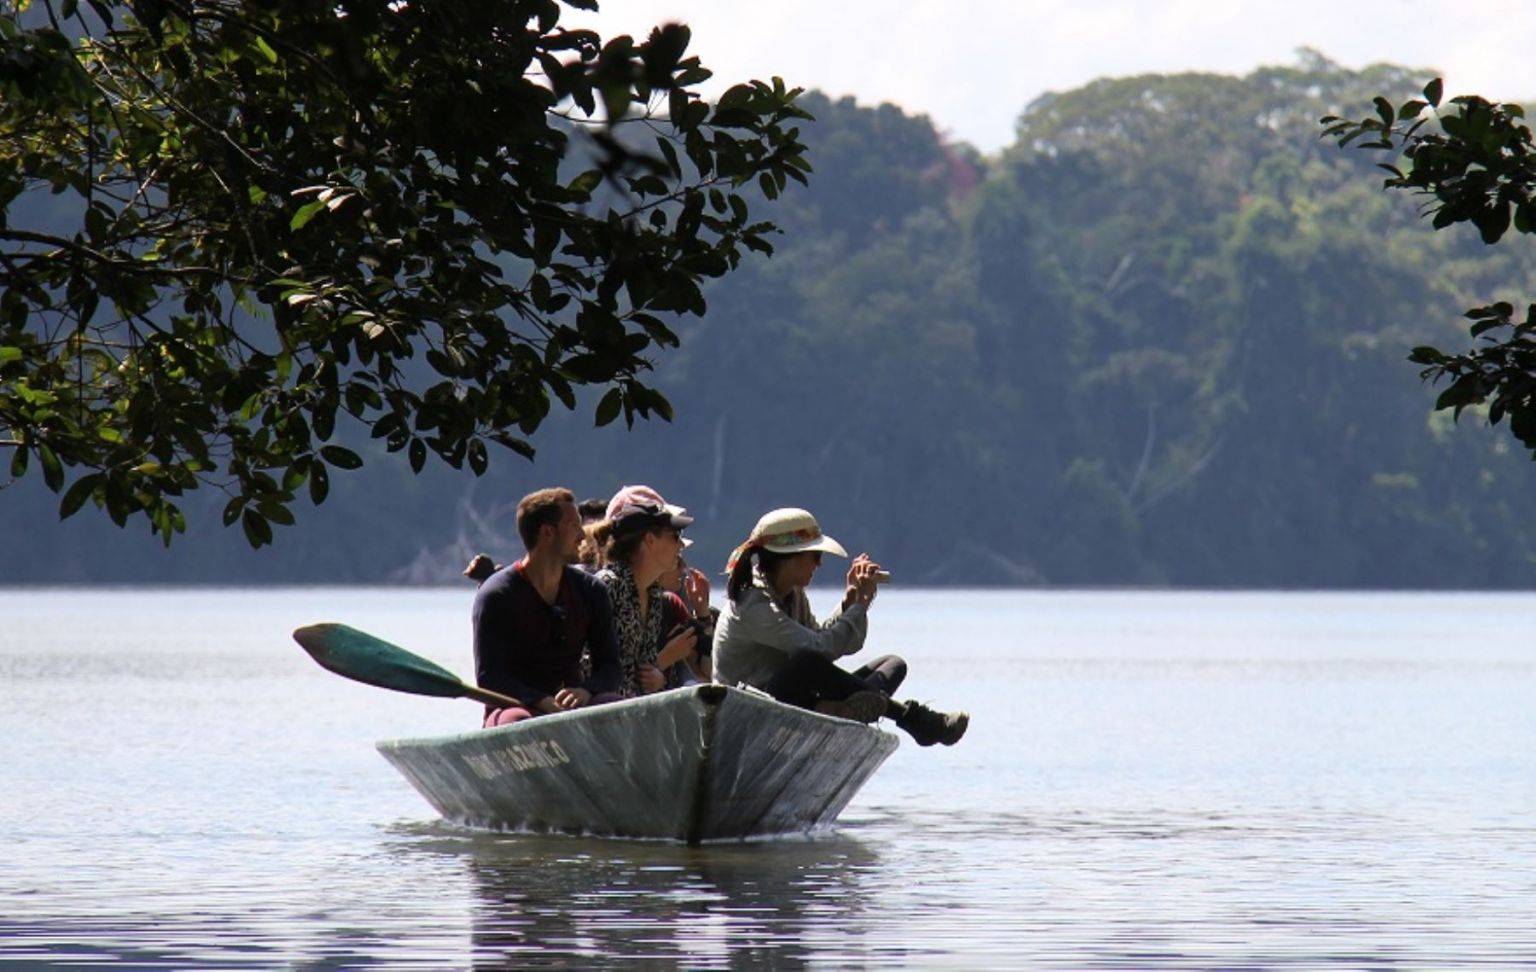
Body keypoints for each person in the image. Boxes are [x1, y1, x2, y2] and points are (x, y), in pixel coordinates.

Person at [712, 507, 968, 747]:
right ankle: (912, 719)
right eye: (815, 556)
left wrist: (851, 600)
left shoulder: (792, 593)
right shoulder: (753, 604)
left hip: (794, 698)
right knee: (804, 662)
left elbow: (819, 638)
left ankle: (839, 710)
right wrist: (859, 606)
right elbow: (818, 650)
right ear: (789, 559)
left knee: (893, 664)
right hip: (749, 709)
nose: (819, 564)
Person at [471, 487, 624, 727]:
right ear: (547, 533)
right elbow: (490, 678)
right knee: (518, 722)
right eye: (574, 526)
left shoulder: (591, 591)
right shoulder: (496, 595)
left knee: (617, 707)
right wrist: (539, 700)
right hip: (516, 707)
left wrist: (586, 691)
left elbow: (610, 668)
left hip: (571, 706)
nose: (582, 536)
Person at [591, 485, 703, 697]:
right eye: (675, 536)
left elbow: (644, 669)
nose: (681, 545)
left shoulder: (653, 595)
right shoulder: (608, 587)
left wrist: (657, 675)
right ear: (650, 540)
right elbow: (588, 665)